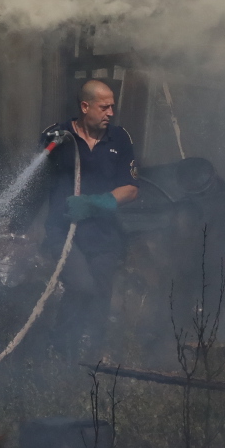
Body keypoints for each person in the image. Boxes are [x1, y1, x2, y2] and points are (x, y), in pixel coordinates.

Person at [41, 78, 140, 359]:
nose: (110, 113)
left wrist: (96, 202)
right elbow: (37, 176)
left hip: (103, 234)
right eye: (104, 107)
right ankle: (61, 351)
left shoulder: (119, 139)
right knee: (82, 286)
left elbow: (131, 189)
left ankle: (92, 359)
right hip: (63, 232)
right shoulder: (57, 136)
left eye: (112, 107)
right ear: (85, 106)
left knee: (100, 294)